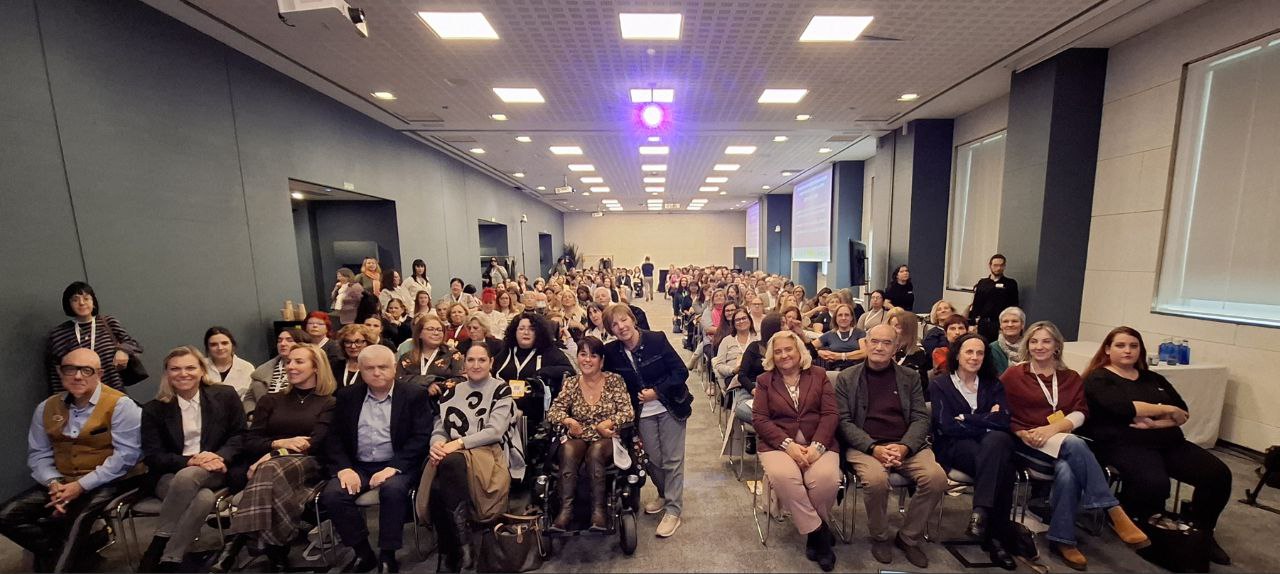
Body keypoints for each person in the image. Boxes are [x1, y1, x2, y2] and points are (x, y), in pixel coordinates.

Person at [1000, 321, 1150, 571]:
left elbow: (1080, 412)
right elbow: (1001, 412)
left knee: (1068, 467)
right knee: (1075, 444)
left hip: (1061, 442)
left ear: (1057, 346)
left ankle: (1063, 539)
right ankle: (1112, 508)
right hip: (1027, 445)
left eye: (1046, 341)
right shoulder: (1014, 375)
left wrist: (1053, 429)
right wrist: (1022, 432)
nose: (1040, 346)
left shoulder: (1070, 377)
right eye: (1034, 341)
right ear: (1027, 345)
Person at [1081, 327, 1233, 566]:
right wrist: (1166, 410)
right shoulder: (1098, 378)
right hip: (1125, 445)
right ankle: (1145, 527)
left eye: (1133, 346)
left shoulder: (1154, 378)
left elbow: (1182, 411)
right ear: (1108, 349)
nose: (1128, 351)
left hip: (1170, 443)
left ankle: (1203, 531)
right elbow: (1122, 407)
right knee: (1155, 484)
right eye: (1120, 345)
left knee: (1218, 475)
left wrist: (1154, 422)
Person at [0, 348, 143, 573]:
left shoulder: (121, 405)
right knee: (7, 516)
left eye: (86, 370)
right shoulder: (46, 407)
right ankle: (86, 548)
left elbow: (126, 457)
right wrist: (54, 483)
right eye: (70, 369)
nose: (77, 376)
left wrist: (79, 486)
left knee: (74, 523)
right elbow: (39, 454)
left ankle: (67, 557)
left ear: (99, 374)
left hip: (111, 479)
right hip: (62, 479)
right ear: (60, 372)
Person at [214, 344, 336, 572]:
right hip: (272, 470)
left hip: (308, 462)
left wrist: (271, 454)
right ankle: (276, 551)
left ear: (316, 367)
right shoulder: (271, 400)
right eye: (288, 361)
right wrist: (278, 443)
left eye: (299, 361)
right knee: (272, 476)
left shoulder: (328, 402)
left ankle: (235, 542)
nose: (290, 366)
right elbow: (250, 441)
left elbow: (314, 443)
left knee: (269, 469)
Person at [834, 324, 945, 569]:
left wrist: (905, 447)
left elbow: (920, 417)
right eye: (875, 341)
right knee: (875, 481)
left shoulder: (910, 377)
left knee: (936, 478)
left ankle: (908, 537)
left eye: (886, 343)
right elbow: (843, 422)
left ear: (896, 348)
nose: (879, 347)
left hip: (905, 444)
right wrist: (874, 448)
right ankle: (880, 536)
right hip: (865, 445)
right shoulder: (847, 378)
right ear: (865, 343)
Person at [321, 345, 433, 574]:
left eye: (383, 367)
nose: (377, 372)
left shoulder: (413, 395)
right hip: (358, 465)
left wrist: (394, 467)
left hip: (398, 462)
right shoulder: (347, 396)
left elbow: (421, 437)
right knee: (332, 495)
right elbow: (334, 438)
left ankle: (387, 554)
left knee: (392, 490)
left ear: (394, 368)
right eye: (369, 368)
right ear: (360, 370)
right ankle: (363, 553)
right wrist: (343, 469)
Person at [138, 347, 245, 572]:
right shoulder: (154, 409)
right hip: (169, 475)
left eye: (190, 367)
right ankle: (170, 559)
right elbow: (153, 456)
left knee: (190, 477)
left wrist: (218, 456)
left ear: (201, 370)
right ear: (167, 374)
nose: (183, 373)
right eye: (175, 369)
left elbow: (240, 435)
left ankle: (158, 542)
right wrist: (190, 460)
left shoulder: (225, 396)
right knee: (203, 498)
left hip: (215, 469)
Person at [416, 343, 518, 573]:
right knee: (439, 471)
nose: (476, 365)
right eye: (471, 360)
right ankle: (460, 547)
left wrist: (457, 444)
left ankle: (452, 550)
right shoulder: (452, 391)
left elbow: (495, 431)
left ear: (491, 363)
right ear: (464, 363)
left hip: (487, 452)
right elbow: (440, 427)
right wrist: (437, 444)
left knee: (446, 466)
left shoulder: (501, 389)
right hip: (453, 454)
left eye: (482, 360)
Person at [751, 330, 841, 570]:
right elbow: (760, 419)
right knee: (784, 477)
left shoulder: (819, 375)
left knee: (826, 480)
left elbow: (831, 414)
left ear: (799, 351)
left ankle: (813, 533)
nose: (784, 355)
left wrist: (817, 446)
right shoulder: (764, 381)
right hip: (778, 446)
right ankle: (820, 534)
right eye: (778, 351)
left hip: (819, 443)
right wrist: (788, 445)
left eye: (788, 349)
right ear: (772, 356)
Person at [927, 333, 1017, 569]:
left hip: (989, 446)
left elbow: (1004, 421)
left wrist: (967, 418)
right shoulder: (940, 384)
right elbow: (946, 425)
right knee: (1002, 465)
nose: (974, 357)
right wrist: (985, 420)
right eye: (969, 351)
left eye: (980, 352)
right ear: (957, 354)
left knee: (997, 441)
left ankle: (981, 512)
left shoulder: (993, 384)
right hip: (955, 447)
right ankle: (996, 539)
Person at [601, 304, 691, 538]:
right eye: (614, 324)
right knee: (652, 459)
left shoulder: (656, 340)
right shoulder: (612, 352)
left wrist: (657, 392)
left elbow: (681, 372)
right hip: (641, 413)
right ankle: (664, 493)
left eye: (624, 320)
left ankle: (673, 510)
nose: (621, 327)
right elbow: (608, 382)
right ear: (611, 330)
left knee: (672, 460)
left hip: (670, 405)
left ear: (633, 319)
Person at [546, 337, 635, 531]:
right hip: (579, 435)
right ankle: (565, 512)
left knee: (595, 452)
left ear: (601, 361)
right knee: (568, 449)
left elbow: (628, 411)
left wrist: (609, 423)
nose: (587, 360)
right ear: (577, 357)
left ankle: (599, 513)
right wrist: (568, 420)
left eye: (593, 356)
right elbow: (554, 411)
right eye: (583, 354)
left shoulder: (614, 380)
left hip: (607, 438)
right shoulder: (571, 384)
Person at [46, 281, 144, 393]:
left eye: (86, 298)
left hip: (114, 392)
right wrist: (62, 400)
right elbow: (56, 372)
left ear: (93, 302)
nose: (81, 303)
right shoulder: (59, 334)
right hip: (80, 399)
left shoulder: (108, 323)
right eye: (75, 299)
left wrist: (123, 351)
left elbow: (134, 344)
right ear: (69, 304)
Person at [493, 313, 576, 427]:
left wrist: (543, 372)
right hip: (503, 406)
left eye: (531, 329)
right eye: (521, 329)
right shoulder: (506, 351)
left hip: (534, 410)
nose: (526, 332)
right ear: (514, 332)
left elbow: (570, 370)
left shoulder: (548, 351)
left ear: (538, 332)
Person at [396, 314, 463, 399]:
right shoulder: (407, 358)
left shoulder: (453, 355)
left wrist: (438, 385)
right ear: (419, 333)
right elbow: (399, 380)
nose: (436, 333)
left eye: (439, 330)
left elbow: (461, 379)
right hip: (412, 405)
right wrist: (428, 382)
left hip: (441, 405)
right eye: (430, 329)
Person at [246, 328, 310, 415]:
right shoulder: (262, 371)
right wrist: (252, 414)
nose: (282, 344)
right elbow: (249, 397)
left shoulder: (307, 370)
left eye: (289, 340)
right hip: (263, 417)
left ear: (302, 344)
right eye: (279, 341)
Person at [970, 254, 1019, 341]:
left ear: (1004, 266)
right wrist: (972, 323)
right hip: (983, 323)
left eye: (1001, 265)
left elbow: (1014, 306)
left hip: (1000, 324)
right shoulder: (982, 283)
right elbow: (976, 304)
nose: (998, 268)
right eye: (995, 265)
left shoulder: (1010, 283)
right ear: (990, 266)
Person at [202, 326, 254, 401]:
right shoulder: (200, 366)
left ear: (232, 345)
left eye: (224, 343)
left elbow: (249, 399)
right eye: (213, 344)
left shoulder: (246, 368)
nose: (220, 348)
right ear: (207, 348)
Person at [713, 308, 758, 389]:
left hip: (755, 375)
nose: (741, 321)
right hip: (734, 376)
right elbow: (719, 365)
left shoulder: (758, 339)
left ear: (750, 320)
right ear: (733, 324)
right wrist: (732, 370)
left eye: (744, 318)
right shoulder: (726, 341)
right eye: (737, 320)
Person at [887, 308, 931, 388]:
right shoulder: (888, 350)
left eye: (897, 327)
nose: (892, 329)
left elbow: (920, 386)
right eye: (890, 325)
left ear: (908, 330)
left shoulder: (919, 354)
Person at [813, 303, 864, 371]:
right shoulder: (829, 334)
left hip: (856, 370)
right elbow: (809, 348)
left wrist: (840, 356)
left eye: (847, 315)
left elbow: (864, 352)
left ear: (851, 317)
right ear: (835, 318)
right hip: (836, 370)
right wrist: (818, 352)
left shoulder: (860, 333)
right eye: (840, 315)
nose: (843, 318)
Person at [333, 323, 378, 388]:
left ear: (368, 343)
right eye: (348, 342)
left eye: (358, 342)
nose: (353, 346)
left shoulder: (374, 368)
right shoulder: (335, 365)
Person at [988, 306, 1025, 376]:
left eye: (1014, 321)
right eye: (1005, 321)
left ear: (1022, 325)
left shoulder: (1030, 348)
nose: (1010, 325)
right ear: (1001, 325)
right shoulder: (992, 348)